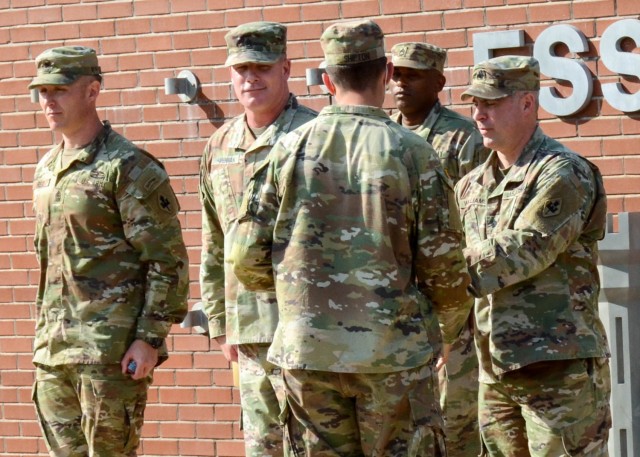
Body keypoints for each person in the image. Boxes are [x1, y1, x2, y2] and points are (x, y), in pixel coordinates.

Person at [230, 19, 473, 455]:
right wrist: (446, 327)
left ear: (326, 80)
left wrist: (298, 296)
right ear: (385, 74)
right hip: (393, 356)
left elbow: (246, 256)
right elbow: (445, 266)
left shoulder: (285, 149)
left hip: (308, 356)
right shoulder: (414, 151)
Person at [29, 46, 189, 456]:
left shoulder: (127, 166)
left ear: (92, 90)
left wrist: (149, 339)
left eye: (60, 90)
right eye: (42, 91)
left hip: (109, 352)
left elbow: (166, 260)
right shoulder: (47, 169)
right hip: (54, 350)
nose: (49, 101)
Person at [455, 55, 611, 456]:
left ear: (527, 103)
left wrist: (435, 271)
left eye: (491, 103)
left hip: (557, 370)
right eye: (475, 103)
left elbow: (526, 248)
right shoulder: (471, 185)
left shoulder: (563, 172)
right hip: (495, 371)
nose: (479, 114)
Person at [199, 21, 317, 456]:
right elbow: (215, 238)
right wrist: (220, 323)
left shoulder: (315, 136)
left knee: (312, 444)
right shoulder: (220, 144)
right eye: (241, 69)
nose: (251, 78)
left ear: (285, 68)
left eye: (262, 67)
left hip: (308, 327)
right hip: (248, 329)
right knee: (262, 445)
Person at [390, 41, 489, 457]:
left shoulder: (462, 138)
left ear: (439, 82)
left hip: (450, 304)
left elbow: (478, 218)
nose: (400, 83)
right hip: (395, 306)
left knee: (454, 418)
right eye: (395, 74)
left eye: (413, 74)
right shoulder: (382, 133)